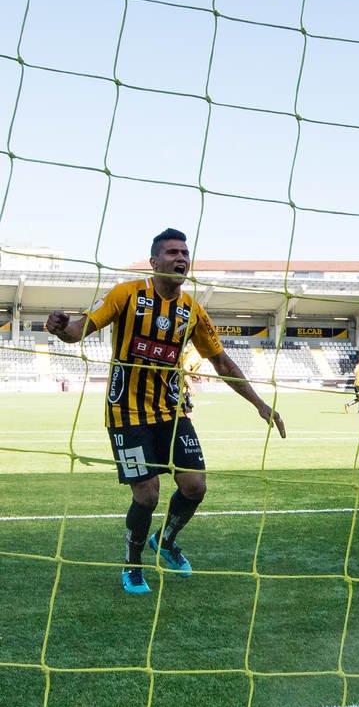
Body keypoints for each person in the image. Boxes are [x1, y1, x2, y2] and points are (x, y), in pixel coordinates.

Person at [42, 228, 286, 594]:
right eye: (172, 252)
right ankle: (132, 565)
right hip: (126, 413)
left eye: (185, 252)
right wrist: (62, 330)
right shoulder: (125, 295)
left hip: (170, 413)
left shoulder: (192, 312)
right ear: (154, 261)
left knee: (195, 486)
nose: (181, 258)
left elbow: (221, 361)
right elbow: (80, 329)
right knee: (147, 494)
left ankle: (165, 541)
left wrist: (259, 403)